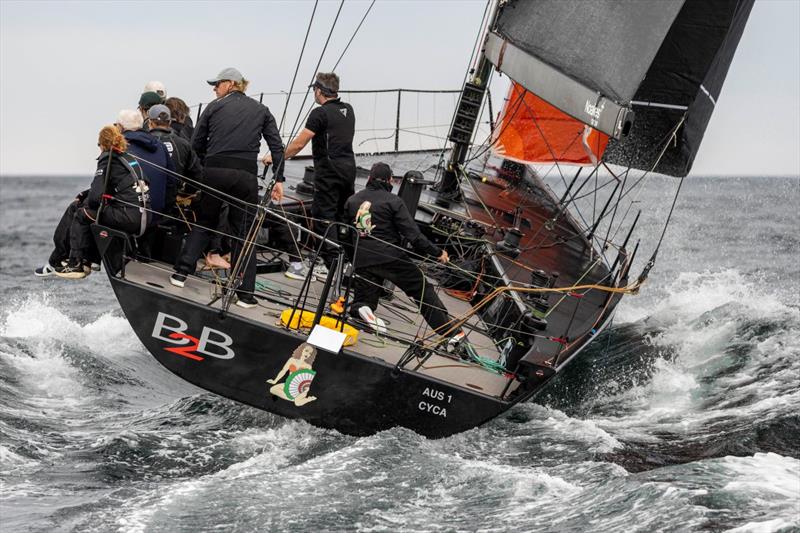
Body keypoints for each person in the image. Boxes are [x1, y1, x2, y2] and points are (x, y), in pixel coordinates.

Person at [170, 67, 285, 309]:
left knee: (204, 222)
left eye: (217, 84)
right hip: (245, 176)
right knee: (245, 235)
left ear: (231, 84)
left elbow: (196, 144)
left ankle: (180, 275)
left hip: (215, 171)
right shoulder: (262, 110)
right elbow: (276, 146)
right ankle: (245, 295)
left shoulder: (214, 107)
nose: (214, 88)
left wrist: (198, 173)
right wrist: (279, 179)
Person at [344, 162, 463, 345]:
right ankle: (449, 332)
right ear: (390, 180)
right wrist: (437, 252)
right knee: (421, 288)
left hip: (362, 258)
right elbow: (413, 235)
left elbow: (346, 233)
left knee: (364, 296)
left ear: (369, 178)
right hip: (389, 257)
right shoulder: (394, 202)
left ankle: (362, 309)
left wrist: (354, 258)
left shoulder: (353, 200)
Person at [277, 72, 355, 280]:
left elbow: (299, 143)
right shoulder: (349, 109)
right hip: (349, 171)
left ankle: (331, 266)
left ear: (319, 90)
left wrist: (277, 156)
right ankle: (345, 262)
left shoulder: (319, 113)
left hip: (328, 173)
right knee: (341, 218)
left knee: (323, 218)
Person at [55, 125, 150, 279]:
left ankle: (76, 263)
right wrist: (86, 195)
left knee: (83, 214)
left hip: (129, 218)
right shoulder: (128, 158)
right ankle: (91, 260)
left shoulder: (108, 158)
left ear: (104, 144)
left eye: (99, 145)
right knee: (96, 212)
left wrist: (88, 200)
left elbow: (95, 198)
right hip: (145, 216)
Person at [116, 109, 175, 222]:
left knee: (82, 214)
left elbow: (100, 191)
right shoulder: (161, 146)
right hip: (156, 214)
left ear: (120, 127)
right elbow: (171, 182)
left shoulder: (118, 148)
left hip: (130, 217)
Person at [146, 104, 203, 214]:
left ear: (150, 123)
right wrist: (185, 193)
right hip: (172, 205)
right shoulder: (183, 144)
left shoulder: (139, 143)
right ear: (170, 123)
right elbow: (197, 176)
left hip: (144, 204)